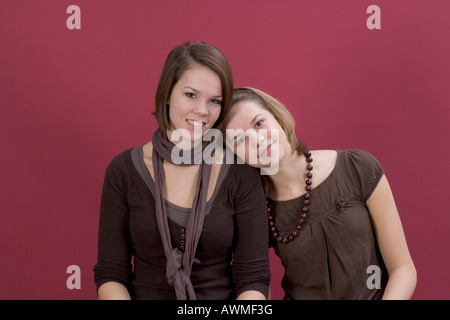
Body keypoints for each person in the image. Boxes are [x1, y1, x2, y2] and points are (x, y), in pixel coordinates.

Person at [93, 43, 270, 300]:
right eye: (190, 95)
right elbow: (111, 273)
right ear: (167, 94)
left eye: (215, 101)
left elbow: (253, 277)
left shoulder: (240, 173)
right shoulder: (123, 170)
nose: (202, 110)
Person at [222, 87, 417, 300]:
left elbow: (403, 269)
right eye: (240, 141)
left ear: (277, 117)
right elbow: (253, 278)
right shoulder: (256, 205)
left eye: (259, 123)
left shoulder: (358, 167)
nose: (257, 140)